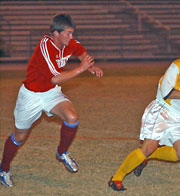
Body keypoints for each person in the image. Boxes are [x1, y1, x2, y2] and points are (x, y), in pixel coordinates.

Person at [0, 14, 103, 187]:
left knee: (72, 118)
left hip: (50, 93)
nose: (71, 37)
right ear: (56, 33)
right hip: (31, 96)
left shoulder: (70, 44)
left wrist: (91, 67)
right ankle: (4, 169)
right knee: (19, 136)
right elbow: (55, 78)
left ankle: (62, 153)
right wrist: (81, 69)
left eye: (72, 33)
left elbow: (82, 53)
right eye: (68, 33)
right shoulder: (45, 47)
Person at [108, 33, 180, 191]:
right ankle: (117, 177)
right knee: (149, 146)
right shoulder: (177, 66)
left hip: (178, 116)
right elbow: (167, 93)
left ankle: (146, 158)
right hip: (161, 109)